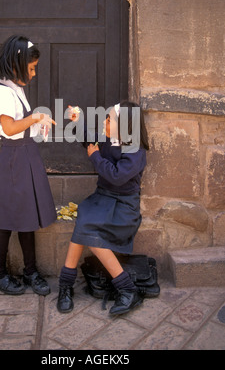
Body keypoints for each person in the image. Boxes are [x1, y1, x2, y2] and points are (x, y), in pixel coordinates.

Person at [57, 101, 149, 315]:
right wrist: (78, 122)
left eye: (109, 120)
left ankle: (126, 288)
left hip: (124, 206)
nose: (105, 122)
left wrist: (96, 157)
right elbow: (90, 141)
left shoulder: (136, 151)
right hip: (102, 198)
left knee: (87, 231)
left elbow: (116, 176)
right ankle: (66, 286)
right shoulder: (108, 138)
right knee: (84, 222)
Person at [0, 35, 57, 295]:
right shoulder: (0, 94)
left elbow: (23, 124)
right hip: (14, 159)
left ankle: (31, 271)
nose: (34, 73)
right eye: (32, 68)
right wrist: (36, 116)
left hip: (27, 154)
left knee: (28, 216)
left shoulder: (16, 90)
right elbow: (10, 127)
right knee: (6, 218)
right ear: (16, 64)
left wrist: (38, 124)